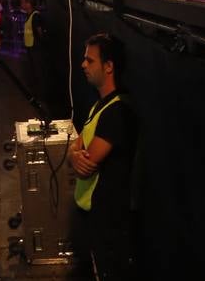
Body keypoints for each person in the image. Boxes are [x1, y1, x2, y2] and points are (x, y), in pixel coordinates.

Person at [68, 33, 138, 281]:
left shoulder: (117, 111)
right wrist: (74, 152)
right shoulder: (99, 105)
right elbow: (78, 145)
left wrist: (75, 154)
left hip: (107, 218)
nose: (83, 65)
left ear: (109, 67)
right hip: (94, 215)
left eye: (90, 60)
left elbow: (86, 163)